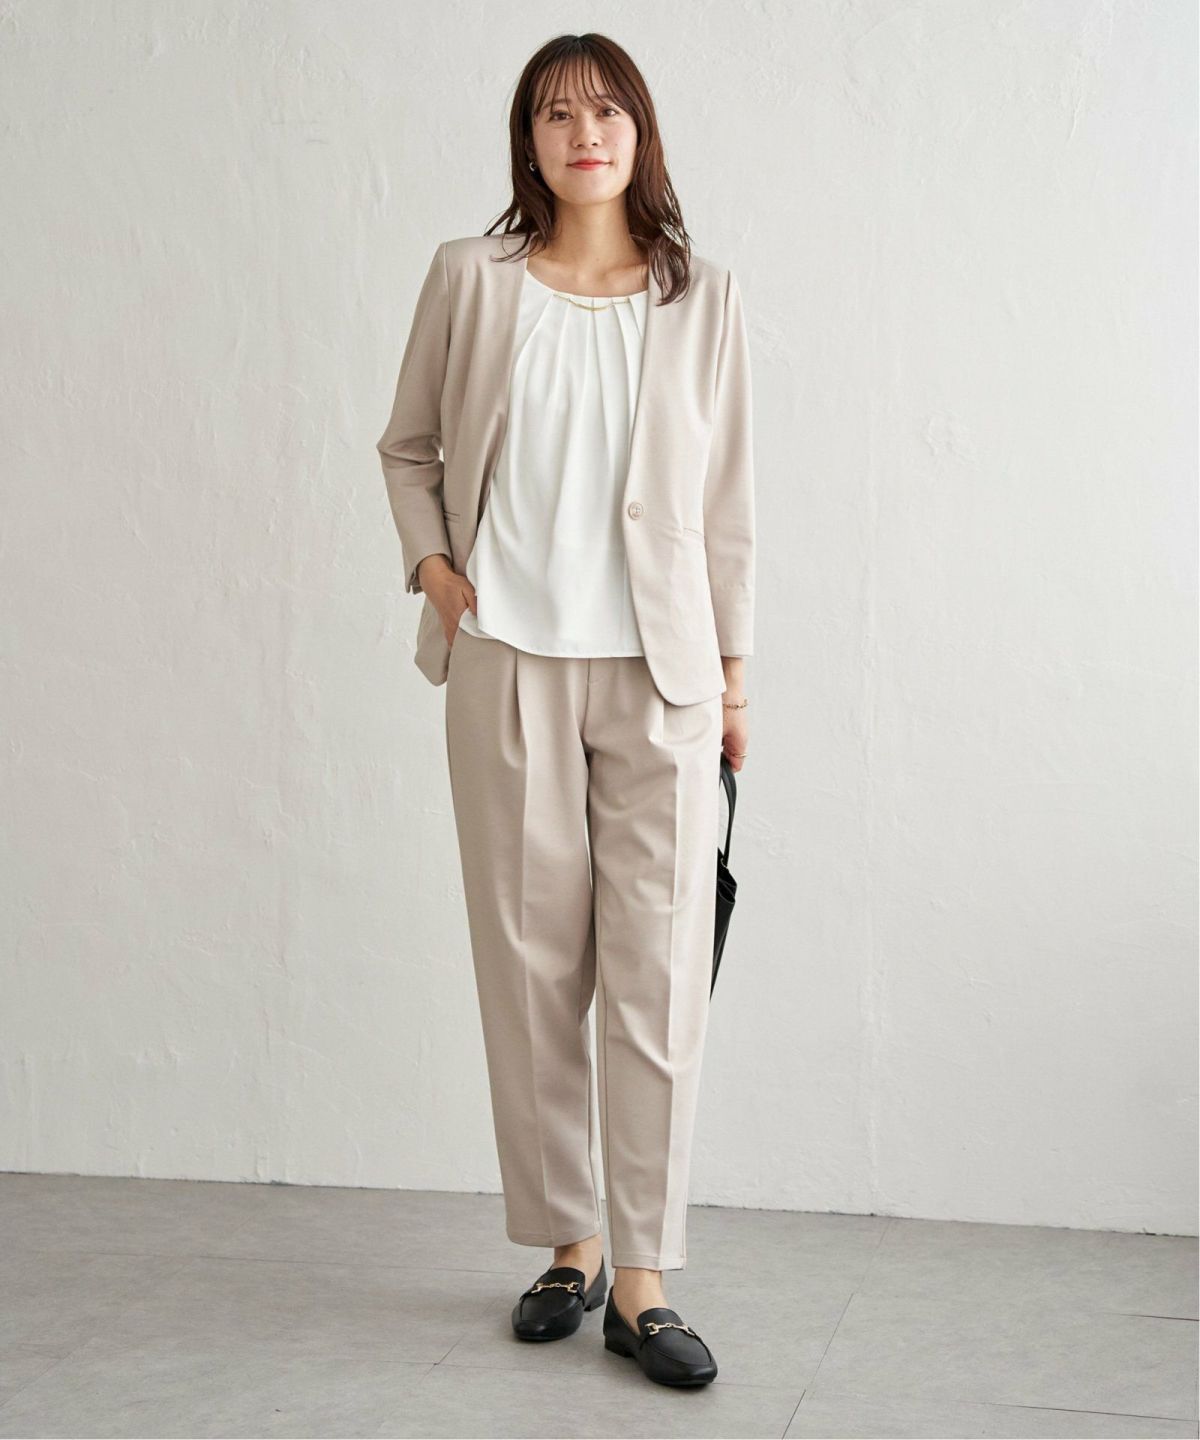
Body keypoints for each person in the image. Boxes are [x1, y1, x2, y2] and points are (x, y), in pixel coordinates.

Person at [376, 33, 754, 1389]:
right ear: (527, 143)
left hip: (660, 677)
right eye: (554, 114)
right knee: (531, 969)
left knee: (657, 977)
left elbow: (726, 504)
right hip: (508, 664)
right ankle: (569, 1245)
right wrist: (435, 569)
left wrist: (734, 678)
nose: (582, 133)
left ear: (639, 133)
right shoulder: (469, 280)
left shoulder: (701, 296)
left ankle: (643, 1278)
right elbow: (408, 446)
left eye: (605, 111)